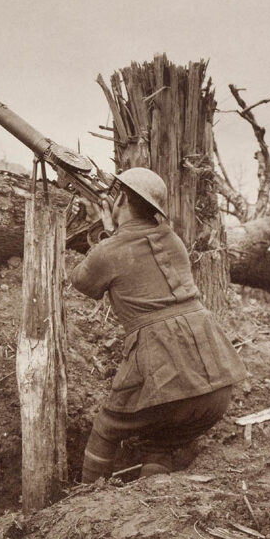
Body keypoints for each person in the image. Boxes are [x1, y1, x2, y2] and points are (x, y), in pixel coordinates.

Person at [70, 168, 246, 482]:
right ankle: (153, 482)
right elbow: (137, 248)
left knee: (107, 426)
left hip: (166, 372)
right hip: (215, 383)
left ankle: (85, 501)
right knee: (164, 441)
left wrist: (105, 236)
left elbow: (82, 282)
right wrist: (114, 233)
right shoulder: (173, 240)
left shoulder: (108, 252)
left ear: (120, 198)